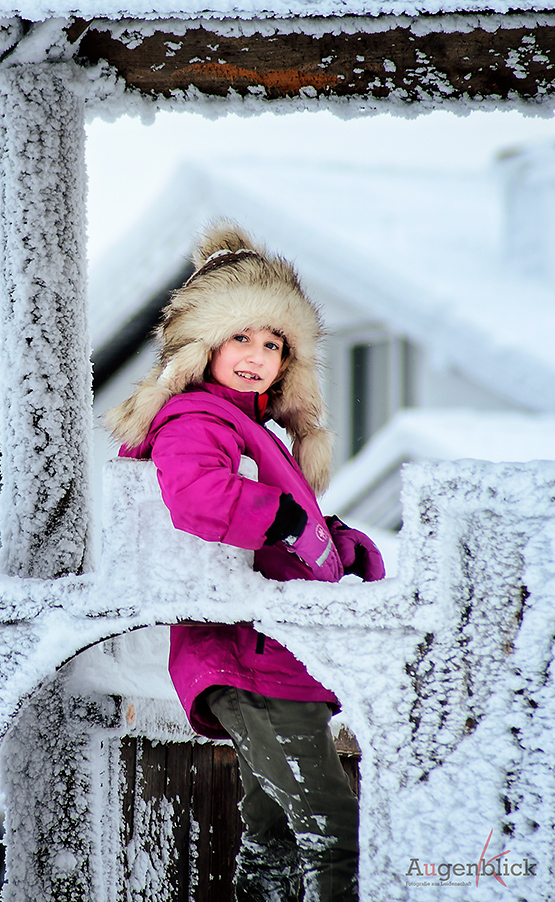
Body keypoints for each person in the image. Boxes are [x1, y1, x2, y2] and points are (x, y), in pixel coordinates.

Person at [105, 221, 385, 902]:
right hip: (243, 654)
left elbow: (282, 526)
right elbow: (198, 497)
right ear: (203, 343)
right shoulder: (198, 418)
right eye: (241, 336)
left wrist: (335, 542)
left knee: (277, 837)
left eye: (274, 343)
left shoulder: (252, 431)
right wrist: (286, 518)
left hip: (276, 655)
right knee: (334, 834)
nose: (259, 355)